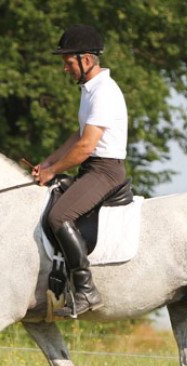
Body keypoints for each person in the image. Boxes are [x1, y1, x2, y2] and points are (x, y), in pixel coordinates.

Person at [32, 24, 128, 317]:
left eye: (68, 62)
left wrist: (54, 169)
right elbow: (77, 136)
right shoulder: (90, 90)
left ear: (86, 60)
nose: (65, 69)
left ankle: (87, 291)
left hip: (106, 171)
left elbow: (86, 146)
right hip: (93, 168)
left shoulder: (104, 92)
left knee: (60, 215)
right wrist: (49, 163)